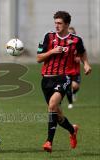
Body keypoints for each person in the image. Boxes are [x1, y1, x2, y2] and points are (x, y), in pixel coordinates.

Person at [37, 11, 91, 152]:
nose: (57, 26)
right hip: (46, 79)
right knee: (58, 114)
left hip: (63, 77)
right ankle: (72, 130)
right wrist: (52, 52)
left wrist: (86, 64)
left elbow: (82, 52)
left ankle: (49, 142)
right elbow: (38, 58)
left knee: (52, 106)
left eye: (59, 23)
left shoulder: (76, 40)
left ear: (67, 24)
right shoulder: (48, 37)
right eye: (55, 23)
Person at [66, 26, 81, 109]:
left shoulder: (78, 44)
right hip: (66, 70)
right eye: (70, 33)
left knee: (75, 86)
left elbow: (81, 54)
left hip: (75, 70)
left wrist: (78, 57)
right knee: (68, 87)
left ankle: (74, 93)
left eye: (73, 33)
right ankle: (70, 103)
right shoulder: (64, 43)